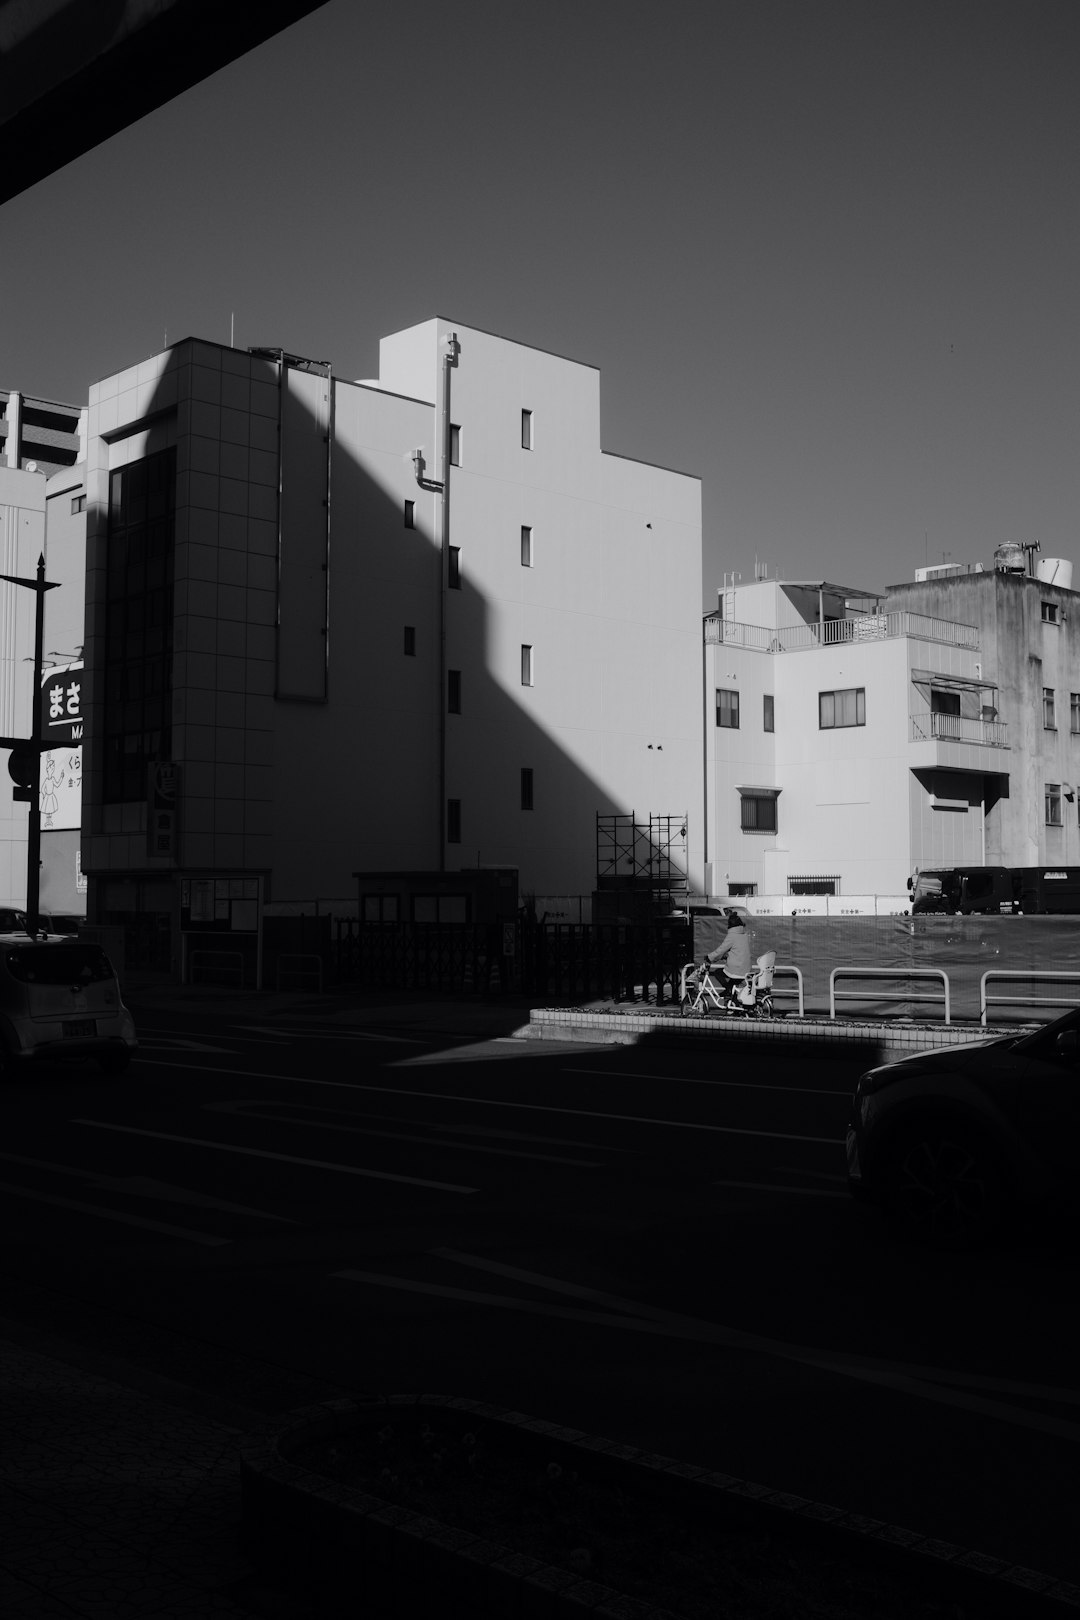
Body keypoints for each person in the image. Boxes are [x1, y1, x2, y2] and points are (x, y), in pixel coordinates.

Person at [706, 909, 752, 1007]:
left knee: (718, 973)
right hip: (745, 969)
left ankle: (727, 990)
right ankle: (731, 1003)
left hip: (736, 969)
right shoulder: (744, 935)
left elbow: (721, 949)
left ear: (730, 925)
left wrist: (710, 957)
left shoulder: (732, 935)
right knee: (733, 984)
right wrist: (726, 956)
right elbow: (738, 952)